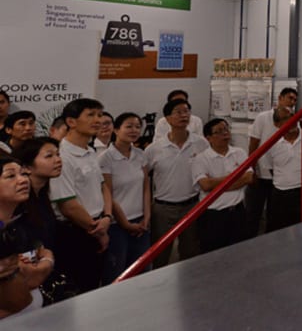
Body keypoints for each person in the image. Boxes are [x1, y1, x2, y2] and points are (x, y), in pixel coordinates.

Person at [50, 98, 113, 293]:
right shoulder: (61, 155)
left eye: (100, 115)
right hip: (77, 233)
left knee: (94, 287)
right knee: (78, 292)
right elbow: (68, 205)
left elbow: (103, 187)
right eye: (90, 115)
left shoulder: (90, 151)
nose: (98, 120)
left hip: (97, 225)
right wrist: (98, 231)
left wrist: (107, 217)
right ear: (71, 122)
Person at [144, 98, 207, 267]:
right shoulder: (154, 149)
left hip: (191, 206)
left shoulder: (200, 144)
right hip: (163, 209)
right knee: (160, 255)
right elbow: (143, 179)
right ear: (167, 118)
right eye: (178, 112)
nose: (184, 115)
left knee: (190, 252)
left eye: (186, 111)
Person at [98, 113, 151, 284]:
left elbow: (145, 188)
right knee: (117, 274)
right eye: (129, 126)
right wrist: (125, 224)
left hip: (141, 223)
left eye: (137, 126)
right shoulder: (105, 158)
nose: (134, 130)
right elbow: (108, 195)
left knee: (141, 271)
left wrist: (147, 218)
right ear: (116, 129)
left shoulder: (140, 155)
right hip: (116, 226)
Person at [0, 156, 54, 317]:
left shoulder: (14, 225)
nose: (23, 180)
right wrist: (47, 262)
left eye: (23, 174)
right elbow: (19, 300)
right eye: (11, 176)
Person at [191, 118, 252, 253]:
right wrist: (235, 177)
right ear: (209, 138)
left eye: (226, 129)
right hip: (213, 216)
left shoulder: (239, 152)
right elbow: (205, 185)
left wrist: (217, 184)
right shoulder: (201, 159)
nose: (225, 133)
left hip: (238, 212)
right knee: (213, 254)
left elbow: (248, 177)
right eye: (218, 132)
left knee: (239, 252)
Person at [245, 87, 298, 238]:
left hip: (279, 178)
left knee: (274, 214)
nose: (292, 102)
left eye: (294, 100)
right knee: (253, 212)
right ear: (280, 98)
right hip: (260, 174)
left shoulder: (294, 121)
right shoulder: (263, 118)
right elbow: (253, 144)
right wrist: (251, 169)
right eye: (289, 97)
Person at [12, 138, 62, 251]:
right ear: (27, 167)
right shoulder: (19, 199)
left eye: (58, 154)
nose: (58, 160)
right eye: (49, 156)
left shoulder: (41, 193)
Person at [264, 106, 302, 232]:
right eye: (285, 118)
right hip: (281, 194)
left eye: (292, 116)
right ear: (277, 124)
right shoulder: (271, 144)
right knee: (279, 231)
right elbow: (271, 168)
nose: (290, 121)